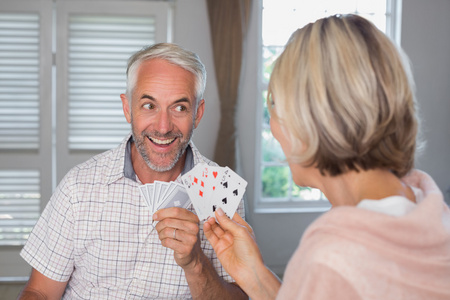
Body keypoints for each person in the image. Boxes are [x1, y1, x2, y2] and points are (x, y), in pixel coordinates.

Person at [204, 14, 450, 300]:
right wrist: (256, 275)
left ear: (309, 121)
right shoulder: (428, 207)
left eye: (276, 105)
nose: (274, 127)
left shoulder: (332, 257)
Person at [18, 43, 248, 299]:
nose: (163, 127)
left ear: (198, 113)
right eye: (149, 106)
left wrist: (195, 263)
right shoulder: (78, 185)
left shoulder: (221, 191)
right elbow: (40, 292)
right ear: (127, 108)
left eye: (179, 107)